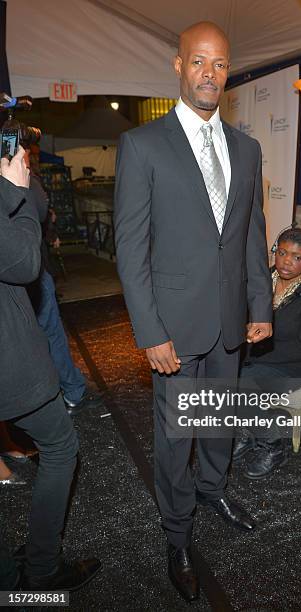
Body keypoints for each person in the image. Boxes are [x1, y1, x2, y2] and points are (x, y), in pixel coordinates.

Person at [114, 21, 272, 602]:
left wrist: (261, 304)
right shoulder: (143, 144)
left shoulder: (248, 149)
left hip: (231, 320)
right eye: (199, 62)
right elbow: (130, 249)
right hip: (174, 329)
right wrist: (149, 330)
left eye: (221, 65)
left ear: (228, 73)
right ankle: (176, 534)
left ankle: (214, 489)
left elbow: (252, 234)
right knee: (176, 435)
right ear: (179, 66)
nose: (210, 74)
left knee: (220, 421)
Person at [0, 146, 101, 590]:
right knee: (60, 447)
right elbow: (23, 261)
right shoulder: (15, 184)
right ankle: (41, 569)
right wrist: (15, 191)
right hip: (9, 357)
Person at [234, 227, 301, 478]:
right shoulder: (265, 278)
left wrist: (251, 352)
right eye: (282, 252)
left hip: (296, 365)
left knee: (239, 385)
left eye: (297, 257)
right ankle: (247, 433)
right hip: (257, 355)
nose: (287, 261)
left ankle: (272, 444)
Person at [24, 149, 102, 417]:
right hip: (31, 271)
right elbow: (41, 208)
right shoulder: (21, 177)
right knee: (51, 334)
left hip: (24, 272)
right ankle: (71, 392)